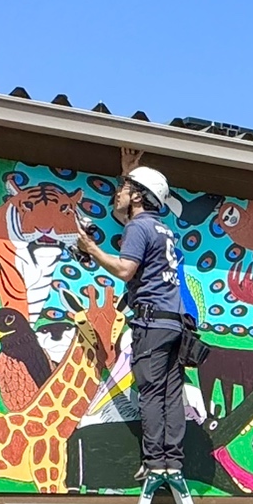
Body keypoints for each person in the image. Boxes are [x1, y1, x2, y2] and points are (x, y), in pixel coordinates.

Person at [73, 151, 187, 482]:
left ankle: (153, 462)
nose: (117, 194)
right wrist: (128, 173)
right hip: (175, 322)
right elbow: (123, 212)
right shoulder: (160, 228)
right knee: (170, 394)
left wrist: (92, 249)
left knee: (150, 392)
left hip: (152, 323)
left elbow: (125, 270)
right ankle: (172, 461)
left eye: (124, 189)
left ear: (137, 196)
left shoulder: (138, 227)